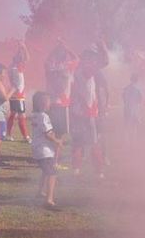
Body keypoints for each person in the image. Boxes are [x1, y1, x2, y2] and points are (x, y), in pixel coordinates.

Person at [70, 41, 108, 179]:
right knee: (93, 143)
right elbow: (105, 62)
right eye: (91, 56)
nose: (93, 59)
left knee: (78, 142)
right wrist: (103, 46)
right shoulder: (85, 69)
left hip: (79, 112)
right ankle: (98, 171)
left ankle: (77, 169)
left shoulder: (78, 69)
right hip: (87, 114)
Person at [44, 38, 79, 169]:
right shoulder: (67, 67)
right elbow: (76, 59)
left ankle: (51, 160)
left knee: (52, 133)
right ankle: (54, 162)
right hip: (62, 106)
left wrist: (56, 49)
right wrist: (66, 47)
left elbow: (47, 59)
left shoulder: (50, 66)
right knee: (59, 135)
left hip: (51, 105)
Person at [30, 91, 63, 210]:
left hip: (38, 148)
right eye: (48, 101)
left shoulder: (34, 115)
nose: (50, 103)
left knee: (45, 171)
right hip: (44, 150)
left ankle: (39, 191)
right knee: (52, 173)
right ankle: (49, 200)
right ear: (42, 103)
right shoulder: (44, 116)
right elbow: (47, 134)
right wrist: (57, 141)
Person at [6, 41, 31, 143]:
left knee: (13, 114)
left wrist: (21, 48)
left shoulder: (12, 67)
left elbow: (24, 58)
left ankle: (8, 134)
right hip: (18, 95)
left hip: (15, 95)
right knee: (21, 115)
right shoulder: (16, 68)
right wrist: (24, 47)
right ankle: (26, 137)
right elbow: (27, 58)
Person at [122, 73, 143, 144]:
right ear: (137, 80)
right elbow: (140, 99)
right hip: (134, 109)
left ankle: (126, 141)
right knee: (134, 126)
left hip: (127, 108)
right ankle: (134, 141)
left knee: (127, 125)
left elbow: (123, 98)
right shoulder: (137, 89)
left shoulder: (126, 88)